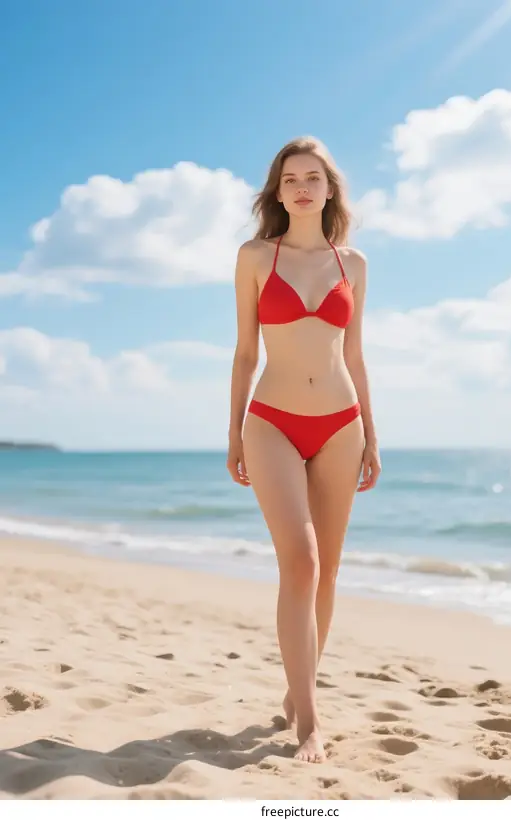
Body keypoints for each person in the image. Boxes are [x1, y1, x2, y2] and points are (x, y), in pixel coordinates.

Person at [226, 136, 381, 763]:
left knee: (330, 570)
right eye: (290, 178)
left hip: (341, 424)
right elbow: (244, 353)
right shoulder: (256, 257)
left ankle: (299, 687)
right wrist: (233, 431)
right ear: (278, 189)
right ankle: (309, 723)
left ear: (329, 189)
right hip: (272, 423)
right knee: (303, 559)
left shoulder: (355, 265)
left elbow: (356, 356)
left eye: (313, 177)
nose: (301, 187)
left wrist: (372, 432)